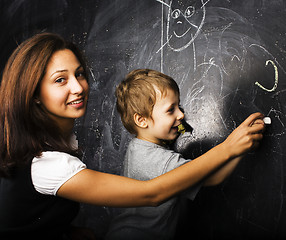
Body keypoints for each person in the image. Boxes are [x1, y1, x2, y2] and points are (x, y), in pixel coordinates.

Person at [0, 33, 264, 239]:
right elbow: (151, 194)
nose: (78, 87)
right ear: (34, 95)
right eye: (60, 80)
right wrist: (229, 147)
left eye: (79, 74)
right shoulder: (49, 164)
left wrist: (64, 231)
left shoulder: (52, 149)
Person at [106, 69, 265, 240]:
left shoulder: (137, 147)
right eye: (170, 110)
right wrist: (236, 147)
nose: (181, 114)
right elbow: (215, 178)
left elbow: (183, 130)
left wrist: (242, 147)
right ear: (141, 120)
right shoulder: (159, 161)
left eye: (179, 106)